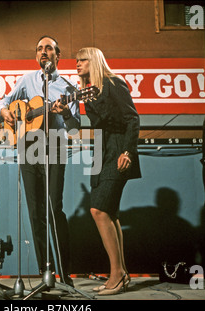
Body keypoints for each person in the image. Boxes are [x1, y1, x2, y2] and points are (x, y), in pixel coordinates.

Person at [0, 36, 80, 286]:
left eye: (49, 48)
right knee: (35, 212)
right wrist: (6, 112)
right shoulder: (26, 80)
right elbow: (4, 102)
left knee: (54, 208)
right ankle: (47, 272)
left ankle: (66, 275)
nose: (43, 52)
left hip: (55, 146)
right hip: (28, 147)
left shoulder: (69, 88)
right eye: (39, 49)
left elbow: (76, 127)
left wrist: (65, 112)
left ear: (58, 55)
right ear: (36, 56)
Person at [76, 47, 141, 295]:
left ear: (94, 61)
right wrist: (86, 100)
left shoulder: (114, 83)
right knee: (110, 213)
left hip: (117, 150)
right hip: (100, 151)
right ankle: (121, 273)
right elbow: (98, 124)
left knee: (99, 210)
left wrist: (128, 152)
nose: (78, 64)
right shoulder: (89, 91)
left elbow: (132, 119)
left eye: (82, 60)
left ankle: (116, 274)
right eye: (77, 61)